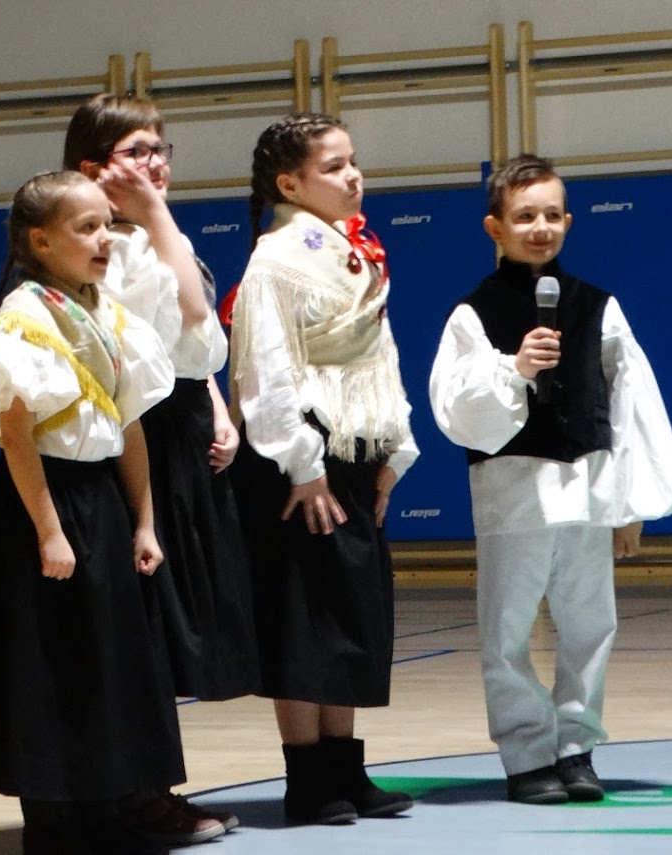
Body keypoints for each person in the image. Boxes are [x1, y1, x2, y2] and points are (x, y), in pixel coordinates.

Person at [427, 153, 672, 805]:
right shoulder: (474, 312)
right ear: (495, 227)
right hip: (513, 491)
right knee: (506, 630)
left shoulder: (597, 306)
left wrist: (629, 503)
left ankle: (575, 745)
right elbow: (454, 407)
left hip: (588, 487)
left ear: (569, 221)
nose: (539, 227)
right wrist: (513, 369)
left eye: (551, 215)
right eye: (524, 216)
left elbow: (629, 404)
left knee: (589, 624)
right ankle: (526, 753)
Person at [0, 170, 180, 855]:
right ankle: (54, 824)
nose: (104, 239)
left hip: (99, 502)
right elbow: (16, 437)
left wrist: (144, 520)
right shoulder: (25, 319)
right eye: (86, 228)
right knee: (50, 664)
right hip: (41, 506)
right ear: (40, 241)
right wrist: (50, 533)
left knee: (105, 660)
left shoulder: (104, 313)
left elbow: (128, 424)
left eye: (107, 224)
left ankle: (105, 810)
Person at [63, 95, 259, 847]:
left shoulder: (154, 234)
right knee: (140, 632)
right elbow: (160, 341)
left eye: (160, 149)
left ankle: (153, 787)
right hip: (127, 440)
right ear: (93, 167)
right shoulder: (103, 248)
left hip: (176, 433)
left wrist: (213, 403)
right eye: (136, 151)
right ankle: (136, 796)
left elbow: (199, 347)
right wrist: (153, 214)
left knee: (170, 631)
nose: (155, 164)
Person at [226, 112, 418, 827]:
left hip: (356, 448)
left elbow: (381, 355)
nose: (352, 175)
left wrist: (394, 447)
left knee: (349, 613)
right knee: (305, 619)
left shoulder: (353, 248)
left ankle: (345, 769)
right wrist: (301, 465)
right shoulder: (275, 258)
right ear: (289, 184)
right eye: (333, 166)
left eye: (352, 160)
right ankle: (306, 779)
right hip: (300, 457)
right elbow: (263, 369)